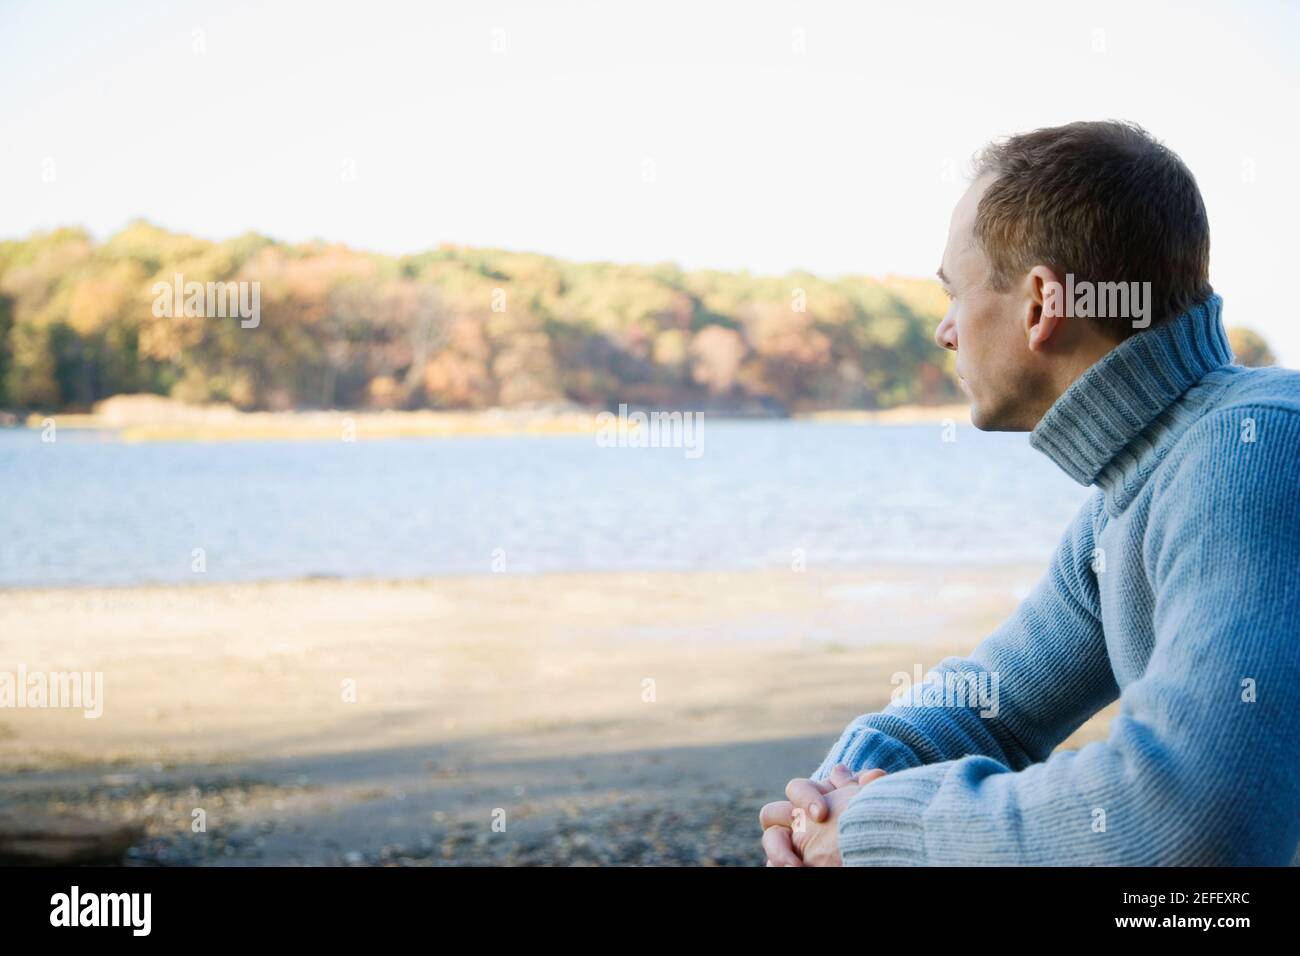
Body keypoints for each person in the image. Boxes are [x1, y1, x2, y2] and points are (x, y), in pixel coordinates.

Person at [760, 120, 1300, 866]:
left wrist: (876, 827)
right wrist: (823, 799)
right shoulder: (1140, 485)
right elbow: (989, 708)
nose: (945, 330)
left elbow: (1191, 818)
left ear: (1042, 304)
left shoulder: (1253, 453)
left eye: (954, 292)